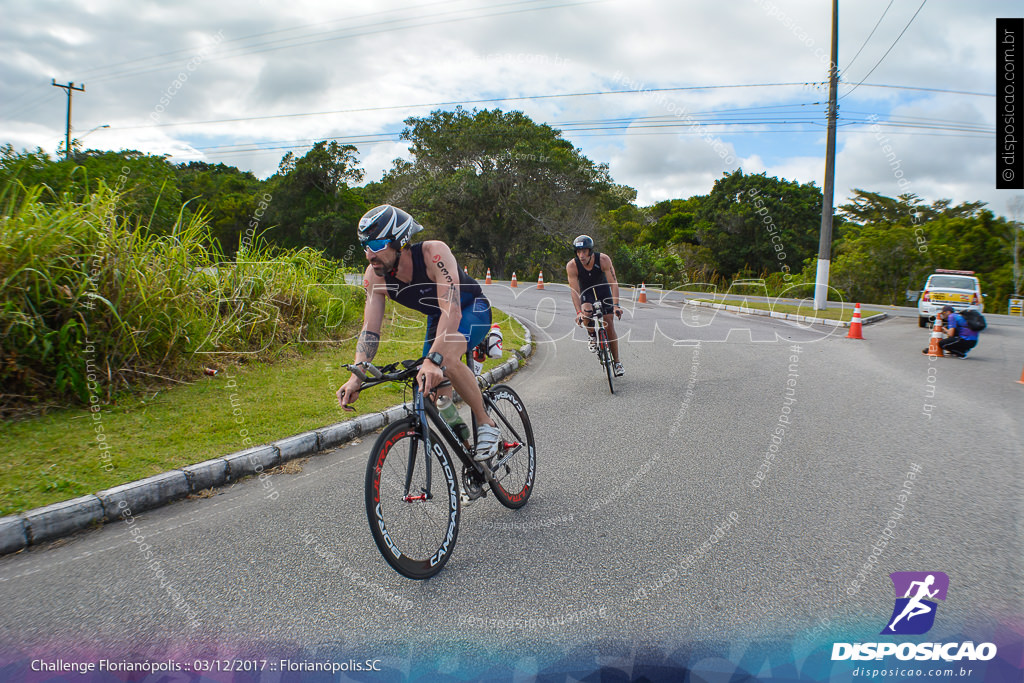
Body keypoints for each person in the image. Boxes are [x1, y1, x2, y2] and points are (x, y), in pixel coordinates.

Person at [337, 205, 501, 460]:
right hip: (438, 318)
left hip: (470, 308)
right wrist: (357, 374)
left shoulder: (433, 253)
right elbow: (370, 330)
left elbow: (452, 311)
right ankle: (471, 457)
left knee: (444, 359)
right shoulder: (375, 277)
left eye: (378, 244)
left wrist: (434, 359)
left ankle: (485, 423)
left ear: (400, 241)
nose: (370, 253)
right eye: (365, 246)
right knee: (434, 393)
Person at [565, 234, 624, 376]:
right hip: (586, 291)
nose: (581, 255)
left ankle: (617, 362)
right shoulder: (572, 266)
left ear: (590, 251)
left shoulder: (603, 259)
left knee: (608, 323)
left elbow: (613, 283)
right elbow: (575, 291)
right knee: (586, 312)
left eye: (584, 251)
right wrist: (578, 312)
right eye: (578, 252)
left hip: (603, 288)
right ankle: (592, 335)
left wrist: (616, 305)